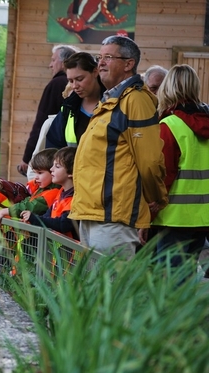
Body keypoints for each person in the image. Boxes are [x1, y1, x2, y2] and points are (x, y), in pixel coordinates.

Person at [70, 35, 168, 259]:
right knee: (94, 291)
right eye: (99, 57)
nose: (100, 63)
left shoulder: (136, 100)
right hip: (93, 214)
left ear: (128, 64)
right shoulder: (109, 100)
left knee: (111, 290)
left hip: (113, 217)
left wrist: (157, 198)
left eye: (108, 57)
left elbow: (150, 160)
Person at [143, 64, 209, 276]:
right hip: (203, 218)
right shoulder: (205, 121)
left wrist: (148, 214)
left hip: (173, 218)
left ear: (167, 88)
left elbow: (163, 176)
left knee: (170, 283)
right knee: (186, 279)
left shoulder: (169, 125)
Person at [18, 44, 79, 176]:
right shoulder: (73, 86)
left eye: (53, 60)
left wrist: (27, 157)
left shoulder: (57, 84)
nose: (50, 65)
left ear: (64, 63)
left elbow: (41, 121)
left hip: (52, 155)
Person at [45, 52, 105, 149]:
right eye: (71, 81)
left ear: (95, 72)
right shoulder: (68, 108)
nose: (74, 86)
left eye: (80, 79)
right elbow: (53, 146)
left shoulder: (112, 103)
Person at [0, 148, 61, 225]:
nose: (36, 177)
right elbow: (28, 201)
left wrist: (7, 211)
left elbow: (31, 206)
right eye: (35, 173)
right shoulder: (42, 188)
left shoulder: (54, 192)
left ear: (53, 172)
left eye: (40, 173)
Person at [21, 147, 78, 239]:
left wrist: (36, 219)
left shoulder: (75, 198)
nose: (51, 169)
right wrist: (33, 220)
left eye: (57, 166)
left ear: (71, 172)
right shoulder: (61, 193)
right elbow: (48, 215)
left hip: (67, 251)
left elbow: (64, 224)